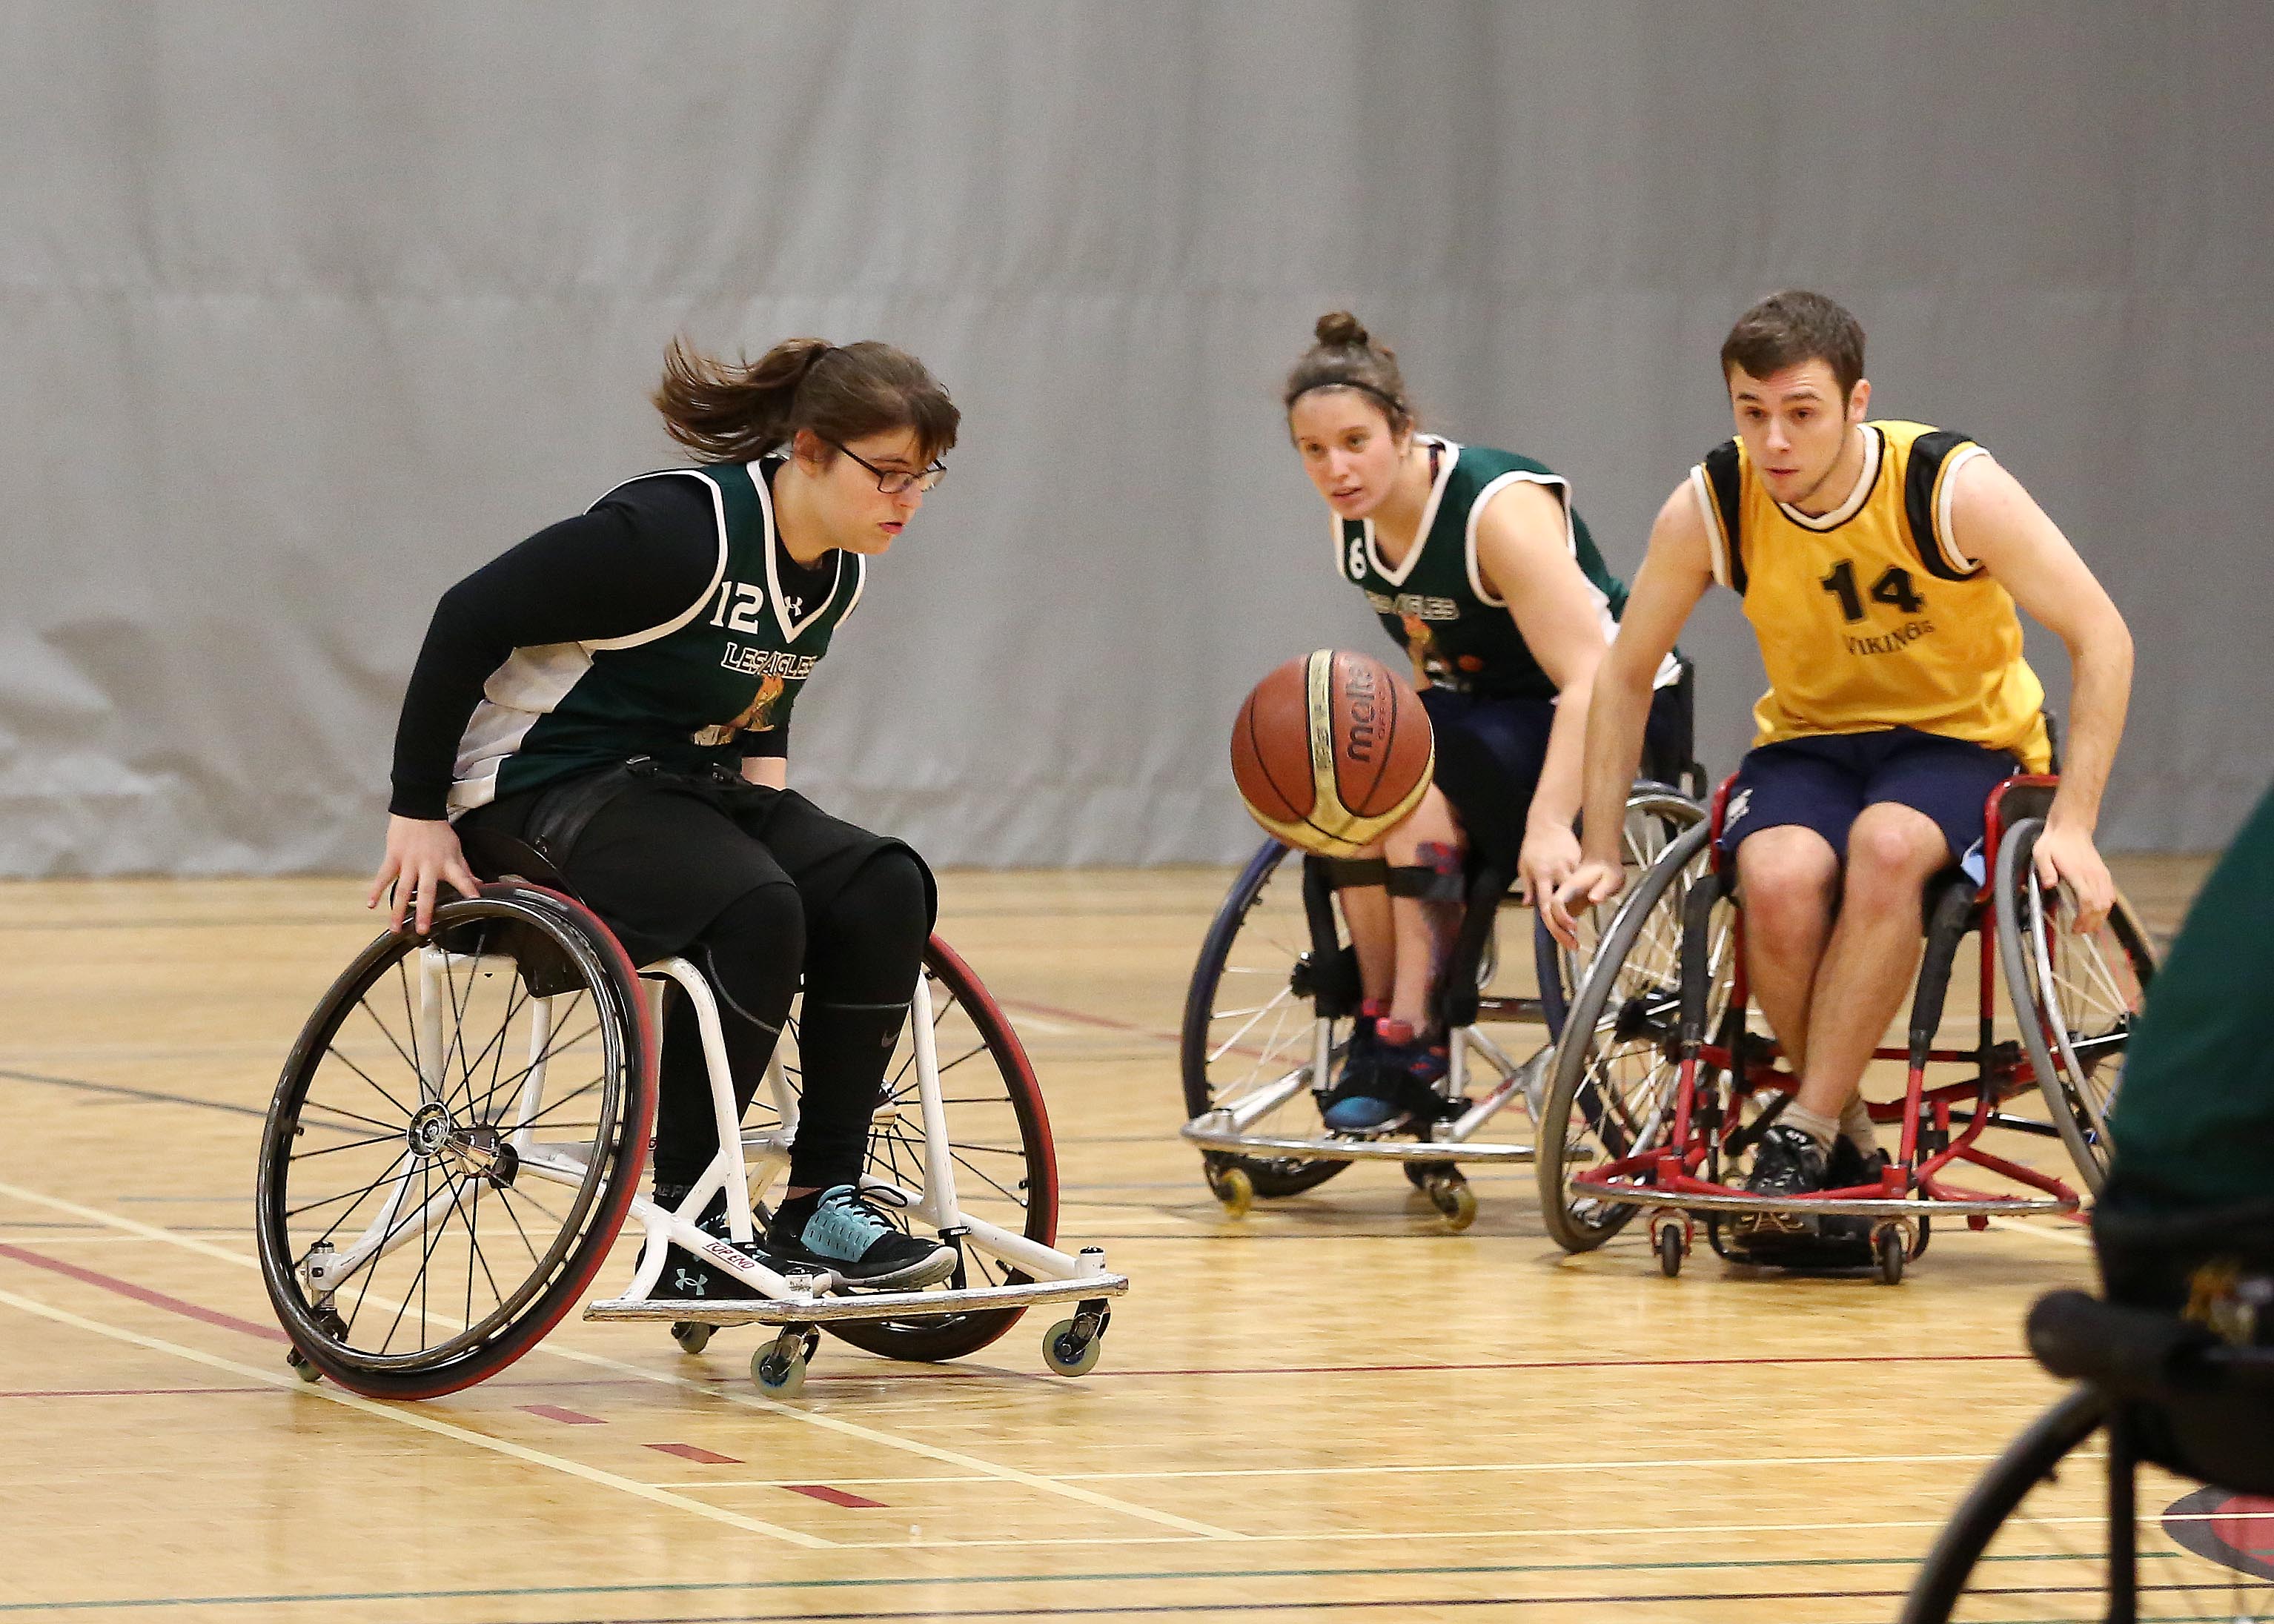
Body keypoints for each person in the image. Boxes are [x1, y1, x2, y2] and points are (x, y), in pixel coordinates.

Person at [371, 334, 961, 1294]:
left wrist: (804, 851)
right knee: (754, 903)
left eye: (925, 478)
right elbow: (466, 613)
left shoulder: (839, 572)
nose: (908, 499)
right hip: (532, 789)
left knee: (880, 881)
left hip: (678, 792)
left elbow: (760, 714)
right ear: (808, 449)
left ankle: (821, 1198)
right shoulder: (674, 531)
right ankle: (694, 1225)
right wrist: (416, 808)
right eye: (888, 473)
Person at [1545, 289, 2132, 1229]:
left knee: (1889, 846)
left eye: (1800, 412)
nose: (1773, 440)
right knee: (1774, 873)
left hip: (1964, 741)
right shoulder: (1713, 502)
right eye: (1752, 413)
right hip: (1812, 742)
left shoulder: (1945, 485)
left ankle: (1804, 1121)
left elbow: (2101, 636)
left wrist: (2075, 822)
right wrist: (1600, 843)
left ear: (1856, 404)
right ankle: (1842, 1130)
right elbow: (1622, 676)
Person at [1282, 312, 1690, 1134]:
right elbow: (1425, 660)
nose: (1336, 467)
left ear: (1403, 431)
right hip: (1489, 715)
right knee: (1340, 772)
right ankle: (1379, 1019)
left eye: (1355, 442)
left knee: (1410, 778)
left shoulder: (1495, 511)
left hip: (1609, 713)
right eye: (1313, 451)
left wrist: (1547, 823)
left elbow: (1592, 679)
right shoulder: (1352, 523)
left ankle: (1414, 1031)